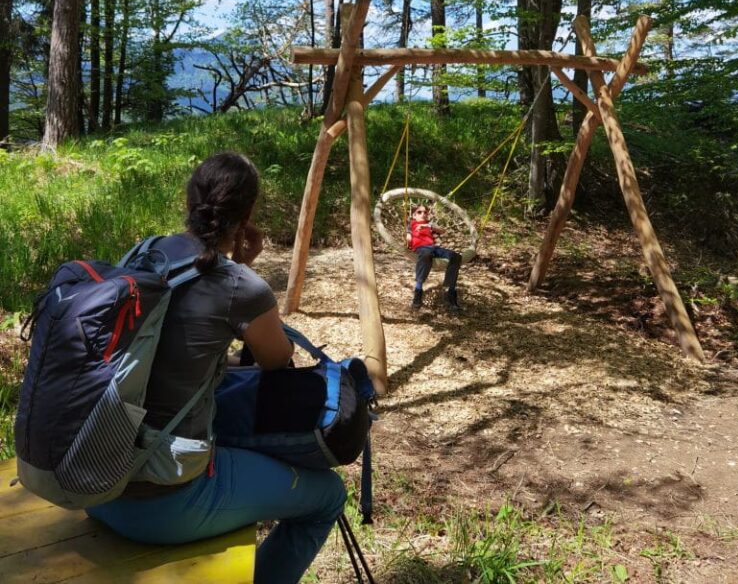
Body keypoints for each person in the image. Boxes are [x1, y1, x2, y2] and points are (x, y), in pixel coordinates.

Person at [87, 151, 346, 584]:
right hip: (160, 504)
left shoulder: (143, 253)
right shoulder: (241, 285)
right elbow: (277, 361)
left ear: (190, 200)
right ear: (248, 214)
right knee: (327, 496)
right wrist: (244, 269)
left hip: (90, 477)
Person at [407, 203, 462, 311]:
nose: (423, 214)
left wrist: (428, 226)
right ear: (414, 215)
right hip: (421, 249)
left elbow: (442, 230)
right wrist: (408, 239)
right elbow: (408, 236)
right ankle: (418, 292)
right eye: (419, 212)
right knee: (426, 256)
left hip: (433, 248)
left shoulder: (429, 224)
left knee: (456, 257)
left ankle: (450, 292)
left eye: (425, 212)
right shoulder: (411, 224)